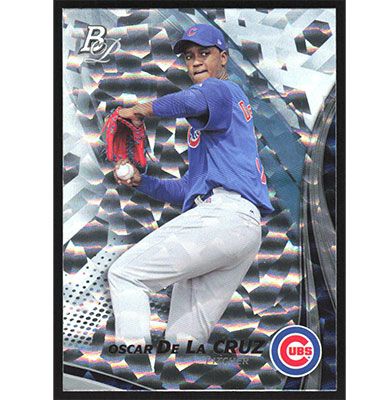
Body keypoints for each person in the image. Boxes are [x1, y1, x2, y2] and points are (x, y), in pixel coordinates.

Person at [107, 24, 274, 345]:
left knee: (126, 275)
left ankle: (132, 362)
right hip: (239, 228)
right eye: (188, 56)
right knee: (183, 340)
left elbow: (191, 101)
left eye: (204, 53)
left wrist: (142, 109)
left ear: (223, 58)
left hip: (224, 216)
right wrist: (142, 182)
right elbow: (188, 189)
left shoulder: (221, 89)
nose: (195, 61)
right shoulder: (216, 121)